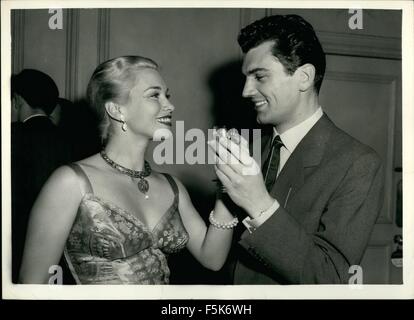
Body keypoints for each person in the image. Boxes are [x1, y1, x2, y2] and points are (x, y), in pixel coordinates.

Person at [19, 56, 237, 284]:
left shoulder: (172, 187)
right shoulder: (71, 182)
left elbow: (212, 258)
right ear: (117, 110)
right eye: (155, 95)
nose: (170, 105)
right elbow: (32, 284)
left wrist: (227, 183)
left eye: (167, 95)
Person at [209, 15, 384, 284]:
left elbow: (330, 278)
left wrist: (259, 204)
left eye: (260, 77)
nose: (246, 91)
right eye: (246, 78)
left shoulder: (358, 163)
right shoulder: (250, 148)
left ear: (303, 77)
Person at [11, 69, 72, 283]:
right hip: (62, 249)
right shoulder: (69, 139)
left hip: (17, 242)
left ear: (17, 99)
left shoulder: (12, 136)